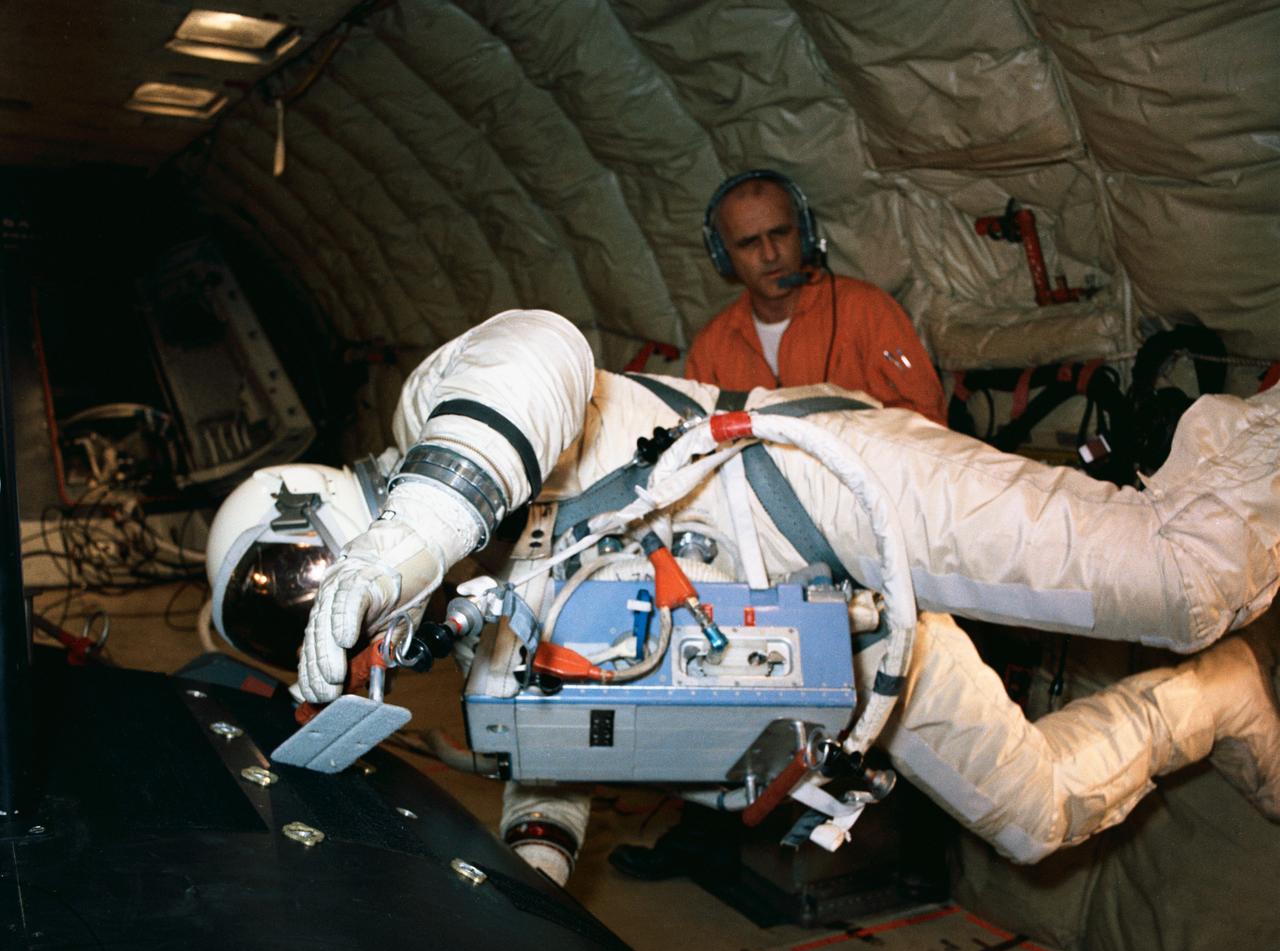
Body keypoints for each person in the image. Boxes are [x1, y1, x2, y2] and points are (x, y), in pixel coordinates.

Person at [216, 310, 1279, 888]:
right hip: (841, 652)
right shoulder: (478, 627)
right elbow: (556, 750)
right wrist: (532, 870)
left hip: (826, 488)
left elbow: (539, 347)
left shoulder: (442, 422)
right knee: (1034, 816)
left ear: (321, 528)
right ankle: (1222, 694)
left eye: (315, 596)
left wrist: (418, 527)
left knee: (1184, 582)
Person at [685, 170, 948, 424]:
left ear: (805, 234)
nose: (769, 254)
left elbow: (926, 420)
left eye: (780, 233)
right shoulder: (711, 348)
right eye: (749, 243)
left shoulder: (867, 310)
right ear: (723, 256)